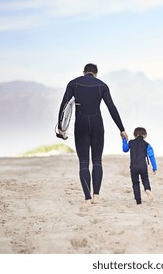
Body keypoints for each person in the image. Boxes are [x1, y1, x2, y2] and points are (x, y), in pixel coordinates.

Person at [57, 63, 128, 204]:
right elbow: (111, 107)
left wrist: (61, 127)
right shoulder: (102, 85)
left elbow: (64, 105)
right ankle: (96, 195)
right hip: (97, 125)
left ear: (84, 72)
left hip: (80, 125)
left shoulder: (73, 83)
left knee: (83, 162)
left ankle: (87, 198)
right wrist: (122, 129)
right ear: (96, 73)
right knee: (97, 161)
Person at [122, 127, 157, 205]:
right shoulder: (147, 145)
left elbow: (125, 149)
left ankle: (138, 201)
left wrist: (124, 140)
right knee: (145, 179)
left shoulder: (131, 142)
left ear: (135, 135)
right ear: (145, 135)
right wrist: (154, 168)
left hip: (133, 166)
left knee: (135, 183)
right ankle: (147, 189)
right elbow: (151, 156)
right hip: (143, 166)